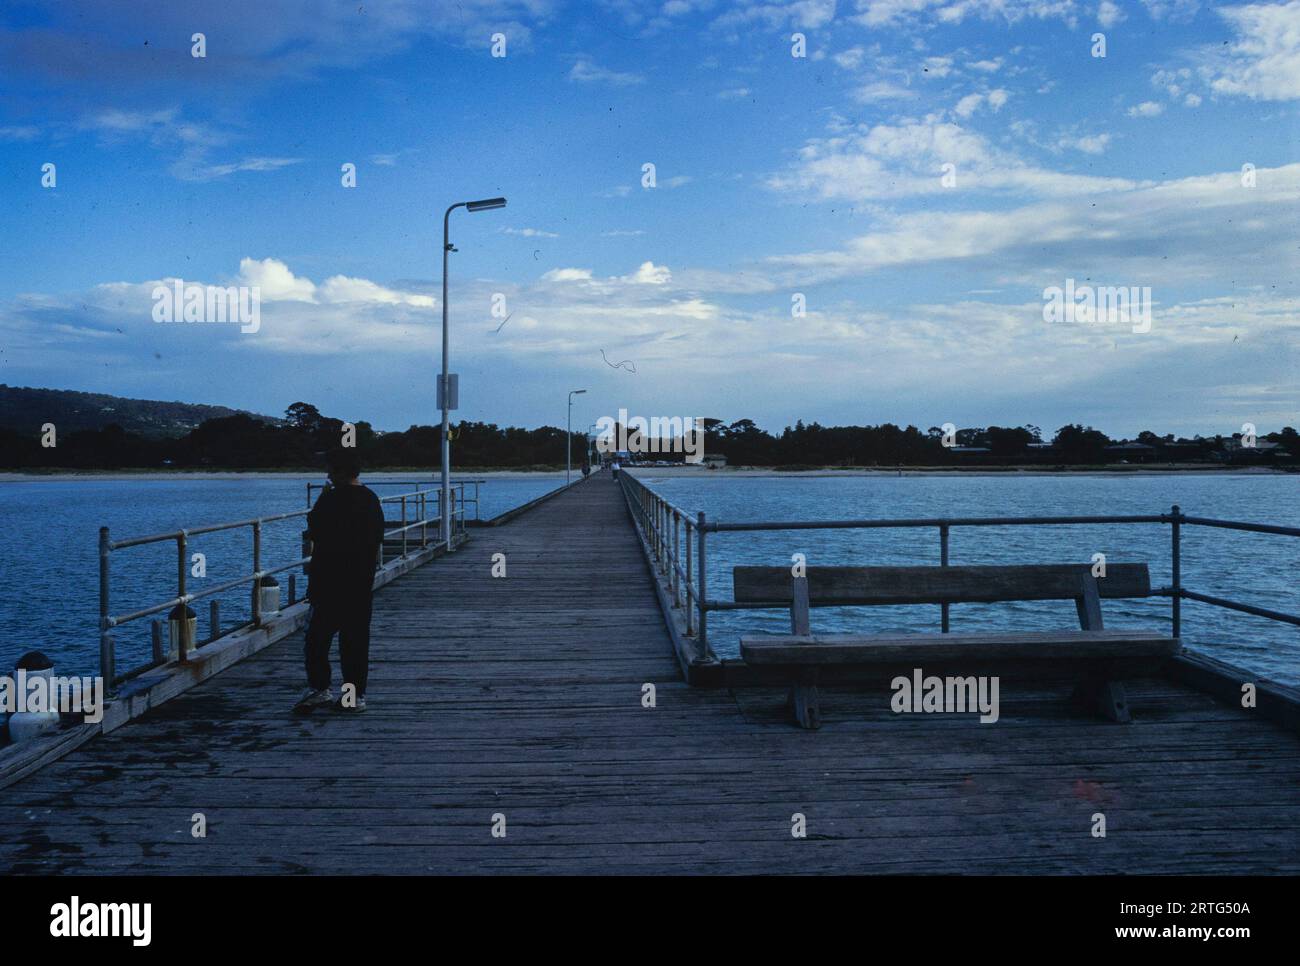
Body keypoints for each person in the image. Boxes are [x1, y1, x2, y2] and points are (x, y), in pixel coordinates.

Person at [293, 449, 385, 715]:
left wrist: (322, 498)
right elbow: (377, 535)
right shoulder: (370, 499)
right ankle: (354, 695)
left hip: (328, 581)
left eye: (332, 471)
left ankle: (320, 689)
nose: (329, 476)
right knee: (355, 641)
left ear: (342, 473)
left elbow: (314, 529)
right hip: (360, 582)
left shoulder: (330, 499)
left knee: (316, 638)